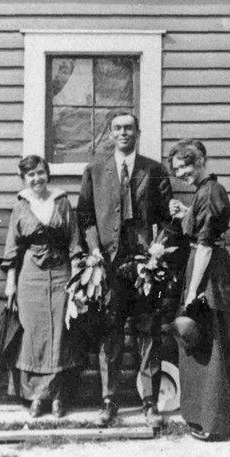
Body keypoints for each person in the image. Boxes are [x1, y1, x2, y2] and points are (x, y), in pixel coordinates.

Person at [77, 111, 175, 429]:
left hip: (144, 266)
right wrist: (93, 250)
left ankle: (149, 402)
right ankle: (109, 401)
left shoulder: (154, 170)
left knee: (147, 332)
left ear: (138, 132)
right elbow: (86, 218)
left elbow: (170, 219)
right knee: (111, 332)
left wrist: (158, 247)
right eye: (118, 128)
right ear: (110, 134)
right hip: (109, 264)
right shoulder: (94, 170)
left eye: (129, 128)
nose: (123, 133)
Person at [168, 139, 230, 442]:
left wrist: (190, 293)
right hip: (202, 269)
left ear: (201, 162)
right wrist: (187, 211)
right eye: (177, 169)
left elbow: (206, 245)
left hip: (208, 273)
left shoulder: (211, 192)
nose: (182, 172)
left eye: (187, 165)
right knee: (201, 343)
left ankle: (215, 422)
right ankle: (203, 416)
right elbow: (202, 225)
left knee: (212, 345)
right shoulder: (203, 193)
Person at [0, 155, 83, 418]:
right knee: (33, 334)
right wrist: (10, 285)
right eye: (31, 175)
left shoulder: (62, 202)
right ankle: (36, 396)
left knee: (59, 332)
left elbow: (74, 242)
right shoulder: (21, 205)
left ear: (48, 174)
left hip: (60, 273)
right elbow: (12, 248)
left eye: (40, 173)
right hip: (30, 276)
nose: (37, 179)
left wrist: (77, 278)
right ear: (24, 179)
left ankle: (58, 397)